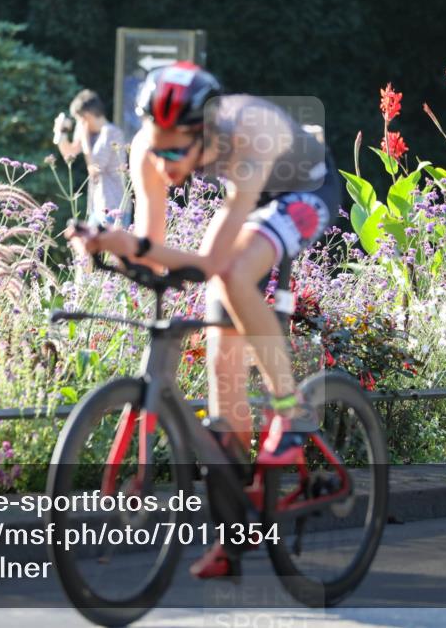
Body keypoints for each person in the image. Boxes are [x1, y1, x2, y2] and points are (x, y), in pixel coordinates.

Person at [66, 62, 340, 578]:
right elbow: (153, 247)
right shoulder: (149, 149)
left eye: (177, 151)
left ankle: (290, 406)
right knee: (222, 372)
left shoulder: (244, 137)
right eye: (158, 144)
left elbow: (213, 264)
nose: (166, 160)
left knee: (233, 277)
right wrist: (109, 244)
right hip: (248, 205)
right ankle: (236, 536)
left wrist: (137, 246)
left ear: (205, 132)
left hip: (303, 190)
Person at [55, 89, 131, 227]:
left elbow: (95, 168)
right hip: (98, 207)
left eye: (79, 120)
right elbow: (69, 153)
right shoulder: (91, 134)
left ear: (87, 117)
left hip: (114, 208)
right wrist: (61, 133)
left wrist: (84, 141)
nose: (78, 125)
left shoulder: (111, 133)